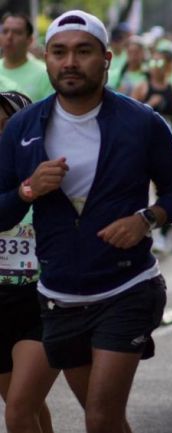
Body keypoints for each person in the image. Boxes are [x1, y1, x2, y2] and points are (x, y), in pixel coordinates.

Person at [0, 10, 172, 433]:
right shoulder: (22, 127)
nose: (70, 62)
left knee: (101, 416)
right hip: (59, 296)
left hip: (126, 288)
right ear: (46, 58)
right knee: (103, 418)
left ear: (106, 59)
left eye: (83, 51)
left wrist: (145, 218)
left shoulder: (141, 122)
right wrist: (28, 191)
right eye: (59, 52)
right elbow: (3, 211)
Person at [0, 91, 59, 433]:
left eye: (8, 125)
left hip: (40, 301)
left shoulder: (50, 174)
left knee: (19, 409)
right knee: (22, 405)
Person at [132, 48, 172, 256]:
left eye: (162, 64)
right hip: (146, 141)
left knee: (166, 185)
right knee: (147, 187)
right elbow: (131, 109)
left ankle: (164, 229)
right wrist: (149, 105)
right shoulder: (143, 86)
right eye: (154, 64)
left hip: (169, 140)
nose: (158, 69)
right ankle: (151, 229)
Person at [0, 13, 55, 102]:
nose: (9, 37)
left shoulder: (45, 74)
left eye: (17, 32)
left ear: (30, 40)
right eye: (5, 31)